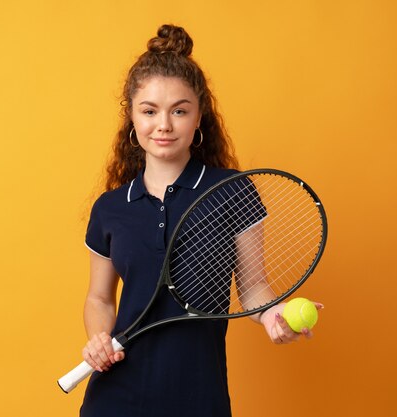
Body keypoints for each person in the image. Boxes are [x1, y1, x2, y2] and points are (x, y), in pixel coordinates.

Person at [79, 24, 322, 417]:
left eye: (179, 110)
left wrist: (274, 314)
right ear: (132, 119)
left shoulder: (234, 190)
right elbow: (99, 298)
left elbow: (254, 285)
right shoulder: (110, 207)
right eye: (149, 111)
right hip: (115, 399)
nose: (164, 125)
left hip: (197, 396)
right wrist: (99, 339)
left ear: (198, 117)